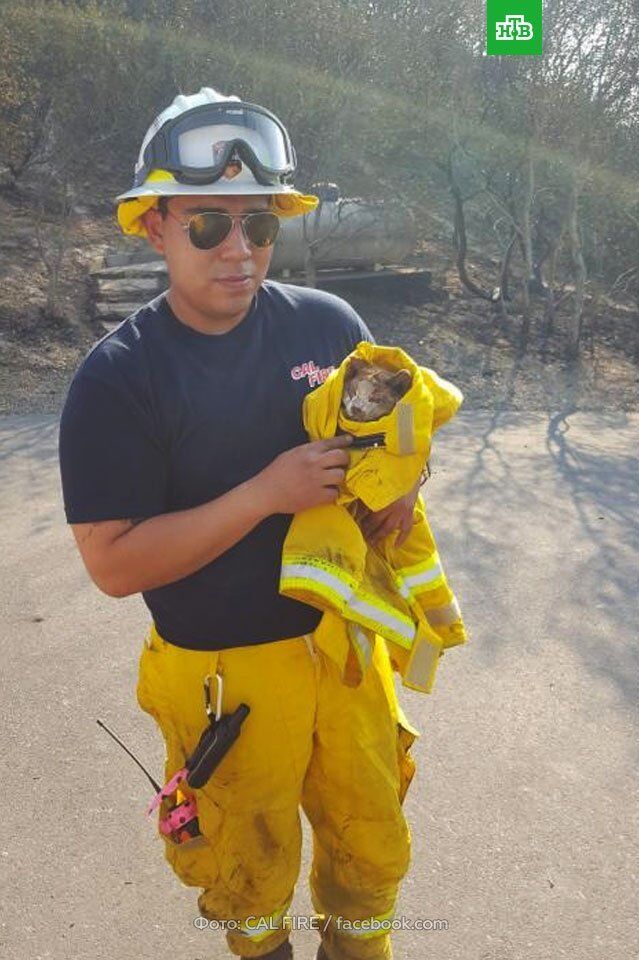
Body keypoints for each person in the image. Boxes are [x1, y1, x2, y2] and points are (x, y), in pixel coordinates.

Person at [58, 87, 423, 960]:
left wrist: (401, 489)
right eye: (208, 225)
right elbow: (112, 565)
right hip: (223, 678)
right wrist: (264, 493)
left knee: (368, 847)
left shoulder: (329, 325)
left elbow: (390, 439)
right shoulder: (117, 380)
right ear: (154, 227)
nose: (239, 250)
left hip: (342, 655)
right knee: (243, 871)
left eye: (259, 227)